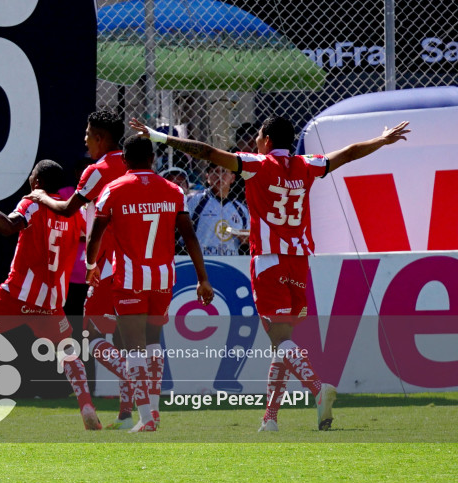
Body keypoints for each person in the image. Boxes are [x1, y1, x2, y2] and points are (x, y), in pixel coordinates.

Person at [131, 116, 410, 431]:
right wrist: (381, 140)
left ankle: (318, 388)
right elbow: (347, 153)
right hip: (298, 261)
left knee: (280, 340)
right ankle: (271, 418)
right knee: (283, 342)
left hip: (269, 261)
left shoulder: (256, 165)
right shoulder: (308, 165)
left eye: (259, 136)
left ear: (265, 140)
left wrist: (160, 137)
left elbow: (207, 153)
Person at [0, 161, 101, 433]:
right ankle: (86, 405)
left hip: (17, 295)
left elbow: (8, 226)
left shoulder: (33, 203)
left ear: (36, 182)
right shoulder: (75, 213)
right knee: (68, 350)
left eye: (31, 176)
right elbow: (94, 236)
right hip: (51, 302)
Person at [86, 135, 214, 432]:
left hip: (130, 279)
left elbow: (96, 234)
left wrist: (91, 266)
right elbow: (189, 235)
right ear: (153, 160)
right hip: (162, 278)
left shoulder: (113, 189)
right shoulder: (173, 190)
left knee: (133, 349)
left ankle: (144, 418)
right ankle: (153, 412)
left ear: (125, 161)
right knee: (154, 344)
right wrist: (202, 278)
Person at [25, 110, 136, 429]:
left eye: (88, 134)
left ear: (101, 138)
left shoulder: (97, 170)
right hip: (140, 264)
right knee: (125, 341)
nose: (84, 140)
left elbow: (68, 208)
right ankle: (126, 415)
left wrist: (41, 196)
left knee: (96, 338)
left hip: (108, 264)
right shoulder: (133, 165)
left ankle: (135, 379)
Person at [186, 163, 250, 256]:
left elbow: (250, 238)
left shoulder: (242, 209)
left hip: (233, 264)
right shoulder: (194, 201)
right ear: (207, 177)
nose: (219, 176)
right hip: (201, 260)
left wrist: (246, 240)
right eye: (214, 172)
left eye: (224, 171)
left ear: (232, 178)